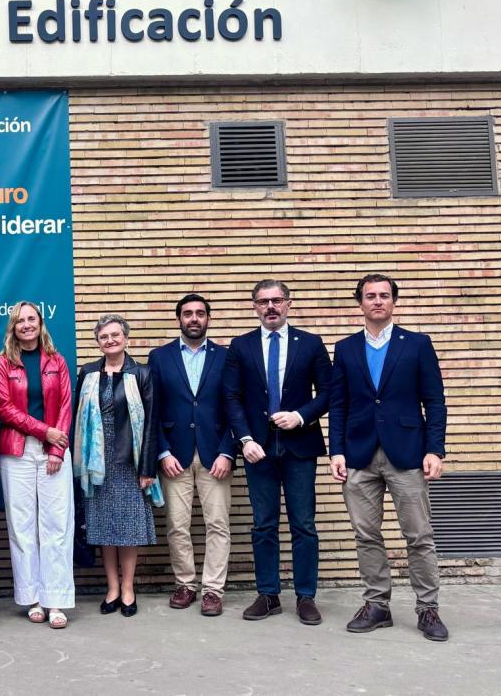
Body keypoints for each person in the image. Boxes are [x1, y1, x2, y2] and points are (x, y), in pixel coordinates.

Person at [329, 273, 449, 641]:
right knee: (366, 535)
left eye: (384, 295)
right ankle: (377, 605)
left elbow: (435, 401)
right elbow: (338, 404)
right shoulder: (346, 348)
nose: (377, 301)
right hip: (359, 454)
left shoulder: (416, 344)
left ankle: (428, 609)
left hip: (408, 454)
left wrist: (434, 449)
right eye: (370, 296)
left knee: (419, 535)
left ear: (394, 302)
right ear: (360, 303)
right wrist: (336, 450)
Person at [223, 279, 331, 625]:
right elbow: (232, 397)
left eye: (277, 300)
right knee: (263, 524)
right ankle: (268, 594)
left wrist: (301, 415)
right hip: (258, 450)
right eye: (262, 301)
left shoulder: (311, 344)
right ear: (254, 306)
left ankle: (305, 597)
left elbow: (329, 393)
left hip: (300, 445)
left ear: (288, 303)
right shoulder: (241, 346)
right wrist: (245, 440)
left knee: (304, 524)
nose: (270, 307)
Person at [148, 294, 234, 617]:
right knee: (177, 525)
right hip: (174, 455)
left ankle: (213, 590)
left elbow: (235, 409)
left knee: (218, 525)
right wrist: (162, 450)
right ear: (179, 319)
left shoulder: (227, 357)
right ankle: (185, 583)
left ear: (208, 319)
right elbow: (151, 410)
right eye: (188, 314)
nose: (194, 318)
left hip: (216, 455)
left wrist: (228, 450)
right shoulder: (159, 357)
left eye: (200, 313)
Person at [0, 301, 75, 630]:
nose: (26, 324)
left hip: (54, 449)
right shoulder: (2, 364)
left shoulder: (57, 361)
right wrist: (45, 431)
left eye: (31, 319)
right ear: (12, 328)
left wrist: (56, 447)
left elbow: (67, 403)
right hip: (17, 451)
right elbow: (5, 409)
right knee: (23, 527)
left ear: (40, 324)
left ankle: (55, 599)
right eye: (20, 321)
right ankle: (34, 598)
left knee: (56, 525)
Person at [72, 314, 157, 619]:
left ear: (126, 338)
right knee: (104, 527)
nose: (110, 340)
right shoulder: (88, 372)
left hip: (130, 461)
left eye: (115, 335)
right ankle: (112, 588)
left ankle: (129, 588)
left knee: (129, 527)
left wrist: (148, 467)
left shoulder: (142, 373)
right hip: (96, 460)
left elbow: (150, 423)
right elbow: (78, 417)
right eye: (104, 336)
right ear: (98, 341)